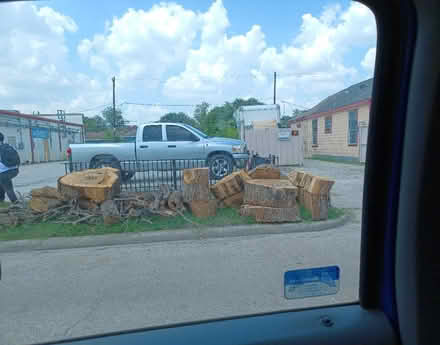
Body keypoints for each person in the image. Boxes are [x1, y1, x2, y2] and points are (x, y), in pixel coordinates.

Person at [0, 132, 20, 203]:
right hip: (14, 170)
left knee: (8, 189)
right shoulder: (7, 146)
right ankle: (1, 199)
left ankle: (16, 204)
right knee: (2, 183)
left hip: (4, 173)